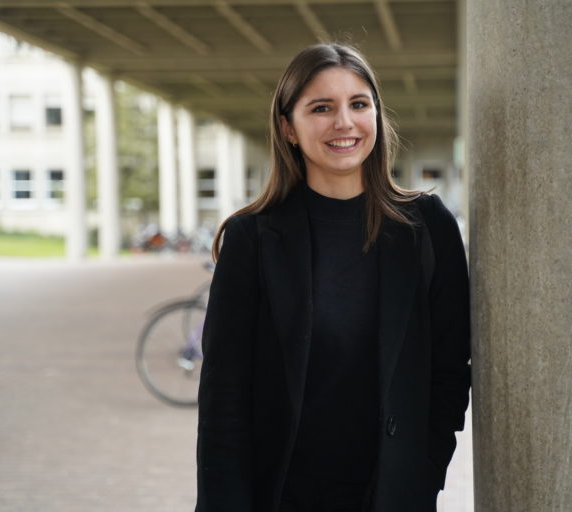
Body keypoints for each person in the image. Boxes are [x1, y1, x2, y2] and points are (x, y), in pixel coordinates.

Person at [195, 43, 470, 512]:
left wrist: (423, 474)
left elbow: (449, 369)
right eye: (321, 108)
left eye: (358, 104)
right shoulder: (252, 238)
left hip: (391, 495)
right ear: (288, 127)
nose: (344, 122)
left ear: (376, 115)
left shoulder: (427, 226)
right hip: (281, 496)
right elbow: (224, 397)